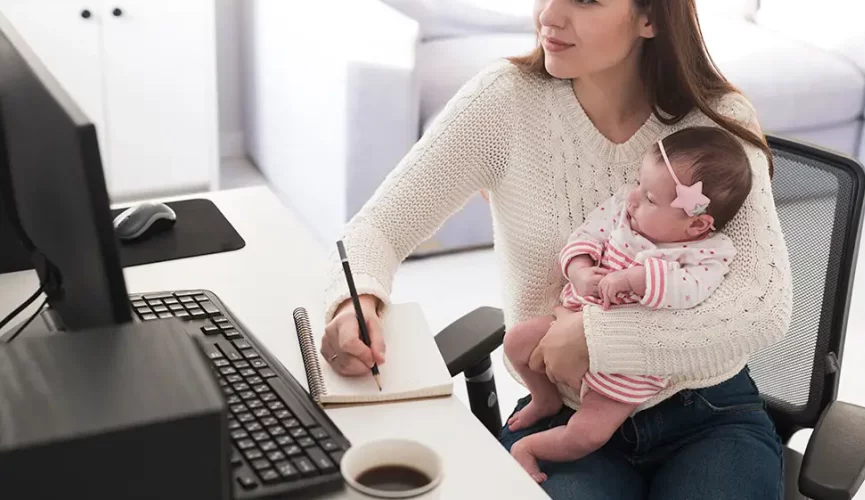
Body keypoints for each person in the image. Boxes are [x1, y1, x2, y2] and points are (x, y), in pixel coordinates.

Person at [320, 1, 793, 498]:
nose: (549, 13)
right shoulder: (504, 102)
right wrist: (355, 302)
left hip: (707, 409)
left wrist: (595, 335)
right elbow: (378, 228)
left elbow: (762, 306)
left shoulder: (717, 121)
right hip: (563, 411)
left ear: (650, 18)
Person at [503, 126, 753, 483]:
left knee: (587, 434)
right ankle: (544, 398)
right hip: (571, 319)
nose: (633, 197)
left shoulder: (707, 252)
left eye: (650, 198)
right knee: (516, 341)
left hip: (630, 369)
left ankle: (529, 448)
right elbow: (585, 236)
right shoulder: (622, 211)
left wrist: (639, 279)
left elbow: (694, 291)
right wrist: (580, 271)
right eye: (639, 182)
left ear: (697, 224)